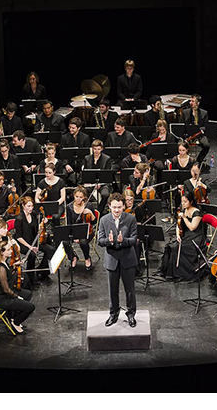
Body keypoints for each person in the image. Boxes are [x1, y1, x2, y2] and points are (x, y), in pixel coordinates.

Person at [97, 193, 138, 327]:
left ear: (123, 206)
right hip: (112, 260)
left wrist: (123, 240)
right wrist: (108, 241)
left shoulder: (131, 219)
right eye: (114, 207)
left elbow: (134, 240)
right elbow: (99, 240)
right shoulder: (103, 220)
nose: (116, 210)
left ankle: (131, 314)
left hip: (127, 259)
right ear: (109, 206)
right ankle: (113, 314)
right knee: (112, 290)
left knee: (130, 290)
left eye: (119, 207)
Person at [0, 240, 36, 334]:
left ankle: (13, 317)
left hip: (5, 293)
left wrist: (14, 266)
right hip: (1, 298)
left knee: (28, 294)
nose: (11, 251)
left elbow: (8, 276)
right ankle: (16, 323)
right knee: (30, 307)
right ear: (2, 253)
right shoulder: (1, 268)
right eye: (8, 249)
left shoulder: (4, 262)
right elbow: (6, 290)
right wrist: (17, 297)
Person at [157, 193, 206, 281]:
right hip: (186, 234)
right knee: (171, 246)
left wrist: (184, 217)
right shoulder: (184, 210)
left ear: (191, 202)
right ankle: (171, 271)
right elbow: (178, 225)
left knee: (180, 247)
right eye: (182, 201)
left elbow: (192, 227)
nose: (183, 204)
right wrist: (178, 235)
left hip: (196, 237)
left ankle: (181, 272)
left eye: (185, 202)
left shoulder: (197, 213)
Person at [15, 196, 54, 283]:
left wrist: (43, 223)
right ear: (23, 206)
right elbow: (18, 237)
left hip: (34, 240)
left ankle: (41, 270)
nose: (31, 208)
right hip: (23, 243)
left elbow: (37, 229)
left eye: (32, 206)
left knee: (50, 250)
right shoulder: (19, 219)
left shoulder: (34, 214)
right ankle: (29, 276)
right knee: (32, 255)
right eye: (28, 206)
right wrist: (30, 247)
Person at [64, 186, 96, 271]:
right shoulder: (69, 207)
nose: (78, 199)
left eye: (81, 197)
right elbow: (69, 223)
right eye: (76, 196)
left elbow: (94, 222)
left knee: (83, 241)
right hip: (74, 231)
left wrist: (90, 213)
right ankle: (73, 257)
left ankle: (87, 258)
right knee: (65, 242)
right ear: (74, 195)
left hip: (87, 232)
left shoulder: (88, 205)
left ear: (84, 197)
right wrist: (73, 236)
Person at [81, 139, 113, 214]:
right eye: (95, 149)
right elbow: (84, 172)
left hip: (103, 184)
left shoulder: (107, 159)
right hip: (90, 183)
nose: (96, 151)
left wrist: (100, 184)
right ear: (92, 148)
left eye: (98, 149)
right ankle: (86, 212)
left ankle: (99, 212)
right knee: (81, 193)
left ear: (102, 149)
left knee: (105, 194)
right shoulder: (87, 158)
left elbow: (107, 175)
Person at [181, 94, 210, 167]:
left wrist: (199, 132)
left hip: (199, 135)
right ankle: (185, 162)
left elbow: (205, 126)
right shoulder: (185, 112)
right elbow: (181, 125)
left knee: (206, 145)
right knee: (180, 144)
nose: (190, 103)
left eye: (193, 101)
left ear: (198, 103)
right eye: (190, 101)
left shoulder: (204, 113)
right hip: (188, 135)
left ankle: (198, 162)